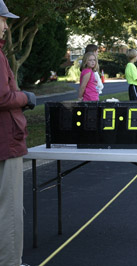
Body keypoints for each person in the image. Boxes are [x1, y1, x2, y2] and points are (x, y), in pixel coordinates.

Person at [0, 2, 36, 265]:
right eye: (2, 20)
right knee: (9, 210)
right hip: (5, 141)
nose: (5, 26)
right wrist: (26, 97)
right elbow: (2, 97)